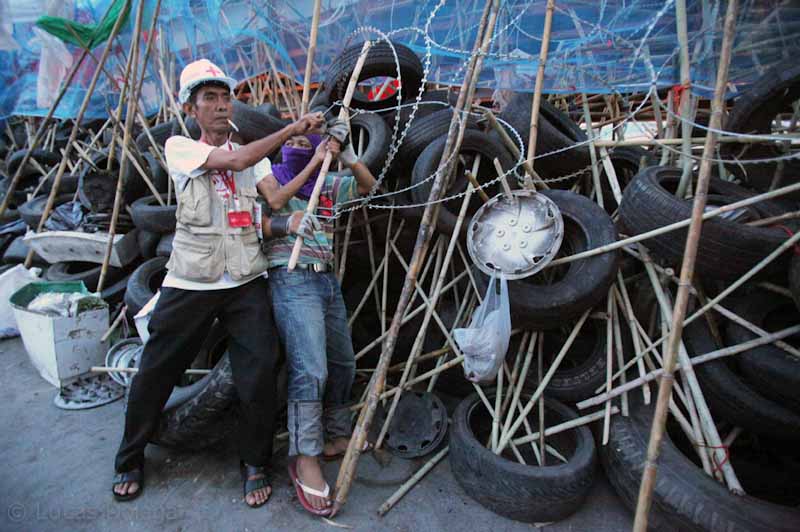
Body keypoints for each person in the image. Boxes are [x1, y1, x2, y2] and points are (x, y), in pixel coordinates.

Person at [111, 58, 325, 508]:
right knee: (157, 370)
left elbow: (278, 199)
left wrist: (314, 167)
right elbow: (238, 158)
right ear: (192, 108)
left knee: (259, 372)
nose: (222, 105)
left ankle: (254, 463)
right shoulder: (181, 148)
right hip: (192, 279)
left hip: (246, 278)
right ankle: (130, 457)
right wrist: (291, 128)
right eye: (210, 98)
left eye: (226, 97)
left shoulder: (256, 158)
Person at [258, 122, 376, 516]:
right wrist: (314, 161)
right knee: (311, 369)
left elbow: (367, 187)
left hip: (324, 279)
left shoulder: (326, 184)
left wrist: (348, 157)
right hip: (291, 278)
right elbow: (267, 214)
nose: (294, 146)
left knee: (343, 362)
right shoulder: (270, 178)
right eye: (288, 141)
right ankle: (304, 455)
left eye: (301, 143)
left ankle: (336, 437)